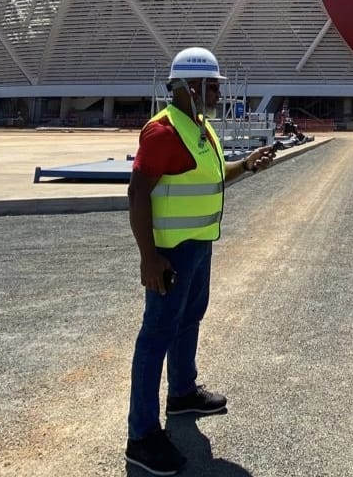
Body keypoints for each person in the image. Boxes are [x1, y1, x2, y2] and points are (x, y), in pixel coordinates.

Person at [124, 47, 276, 474]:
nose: (217, 92)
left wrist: (246, 164)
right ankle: (141, 436)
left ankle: (183, 392)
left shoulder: (200, 128)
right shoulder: (163, 132)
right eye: (212, 85)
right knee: (155, 337)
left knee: (188, 321)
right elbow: (137, 194)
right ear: (191, 87)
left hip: (199, 246)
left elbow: (210, 175)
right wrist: (149, 258)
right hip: (170, 255)